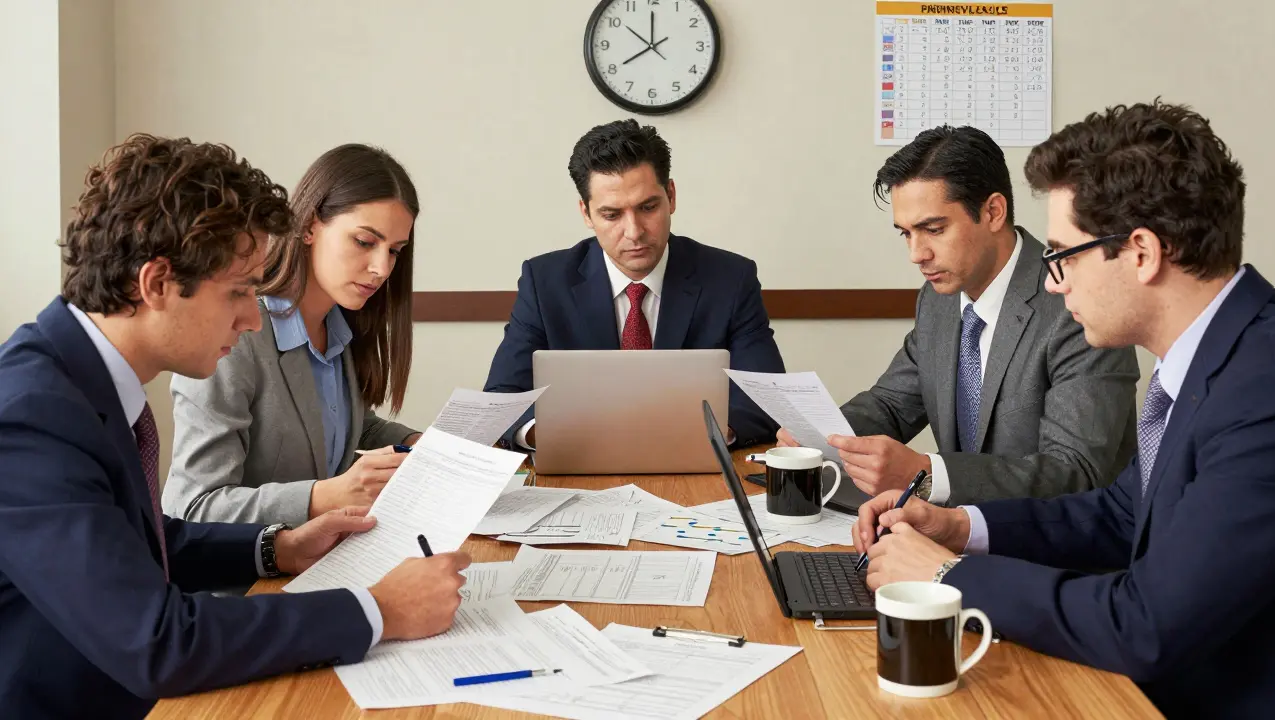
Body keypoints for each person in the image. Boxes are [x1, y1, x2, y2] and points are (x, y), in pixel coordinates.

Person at [0, 135, 469, 719]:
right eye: (239, 293)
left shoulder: (80, 378)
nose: (253, 318)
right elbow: (158, 642)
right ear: (155, 283)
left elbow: (142, 542)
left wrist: (277, 548)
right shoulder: (29, 416)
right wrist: (377, 610)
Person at [856, 101, 1275, 717]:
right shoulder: (1218, 354)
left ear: (1141, 252)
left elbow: (1146, 625)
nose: (1053, 282)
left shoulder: (1263, 386)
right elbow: (1118, 516)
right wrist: (962, 528)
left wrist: (949, 576)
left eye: (1064, 254)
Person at [779, 125, 1138, 505]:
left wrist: (928, 472)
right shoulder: (938, 300)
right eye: (905, 233)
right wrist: (819, 436)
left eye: (933, 229)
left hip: (1057, 551)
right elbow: (891, 405)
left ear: (993, 212)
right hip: (953, 536)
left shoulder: (1075, 303)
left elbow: (1074, 471)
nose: (916, 254)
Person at [484, 119, 785, 450]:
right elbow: (503, 398)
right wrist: (553, 433)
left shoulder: (731, 278)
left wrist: (698, 434)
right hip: (578, 459)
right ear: (586, 213)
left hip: (695, 465)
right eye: (612, 215)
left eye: (648, 207)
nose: (634, 231)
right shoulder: (544, 282)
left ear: (670, 196)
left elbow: (766, 398)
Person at [164, 144, 422, 526]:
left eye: (395, 251)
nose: (382, 268)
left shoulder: (339, 327)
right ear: (308, 226)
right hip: (251, 579)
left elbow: (341, 429)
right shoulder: (234, 338)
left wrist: (420, 446)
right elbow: (192, 508)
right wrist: (324, 496)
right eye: (365, 242)